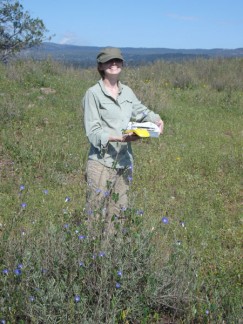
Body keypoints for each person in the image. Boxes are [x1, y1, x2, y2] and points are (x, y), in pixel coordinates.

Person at [82, 47, 164, 237]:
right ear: (101, 66)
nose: (114, 64)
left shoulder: (127, 92)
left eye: (117, 61)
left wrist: (157, 119)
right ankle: (93, 258)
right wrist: (119, 137)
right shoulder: (93, 94)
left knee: (119, 212)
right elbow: (93, 132)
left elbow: (142, 111)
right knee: (95, 212)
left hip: (124, 162)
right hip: (101, 162)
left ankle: (112, 253)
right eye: (109, 61)